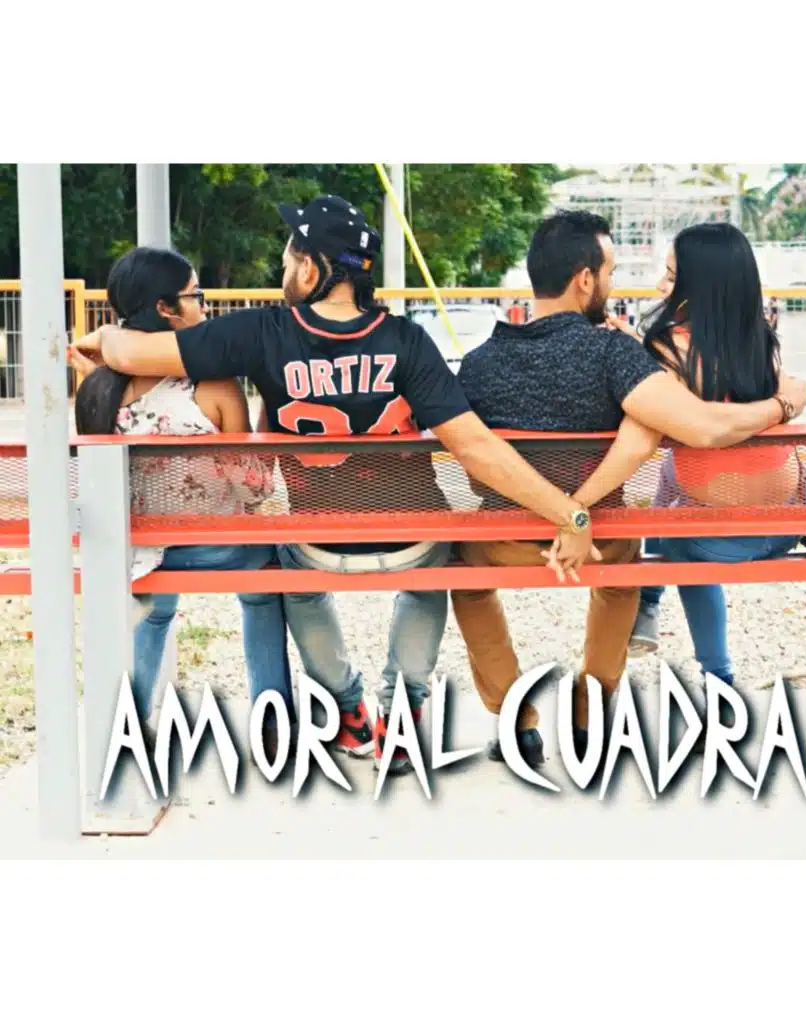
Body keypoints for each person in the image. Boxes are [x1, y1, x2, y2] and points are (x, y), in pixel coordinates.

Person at [70, 196, 600, 776]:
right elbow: (474, 446)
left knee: (294, 578)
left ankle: (348, 708)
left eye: (288, 258)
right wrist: (569, 513)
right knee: (430, 576)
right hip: (412, 540)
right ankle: (403, 712)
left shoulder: (262, 331)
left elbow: (127, 349)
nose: (281, 268)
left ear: (310, 268)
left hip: (317, 542)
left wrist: (105, 340)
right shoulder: (406, 339)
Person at [452, 210, 806, 766]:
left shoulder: (477, 365)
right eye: (611, 272)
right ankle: (588, 709)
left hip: (504, 538)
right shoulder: (616, 354)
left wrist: (551, 510)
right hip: (600, 539)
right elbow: (659, 438)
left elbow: (473, 461)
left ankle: (515, 718)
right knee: (623, 579)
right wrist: (574, 512)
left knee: (466, 580)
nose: (616, 285)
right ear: (585, 279)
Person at [69, 247, 295, 759]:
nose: (205, 307)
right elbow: (255, 488)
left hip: (138, 553)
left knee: (154, 607)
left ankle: (133, 718)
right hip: (217, 549)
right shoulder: (212, 385)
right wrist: (267, 416)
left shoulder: (98, 389)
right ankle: (271, 719)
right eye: (197, 296)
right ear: (167, 309)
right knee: (263, 585)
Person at [625, 223, 804, 685]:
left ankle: (716, 674)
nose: (659, 286)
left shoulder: (667, 348)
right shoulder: (761, 338)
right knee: (672, 474)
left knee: (676, 535)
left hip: (715, 541)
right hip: (788, 525)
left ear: (698, 287)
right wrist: (782, 403)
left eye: (670, 277)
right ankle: (647, 601)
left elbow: (694, 426)